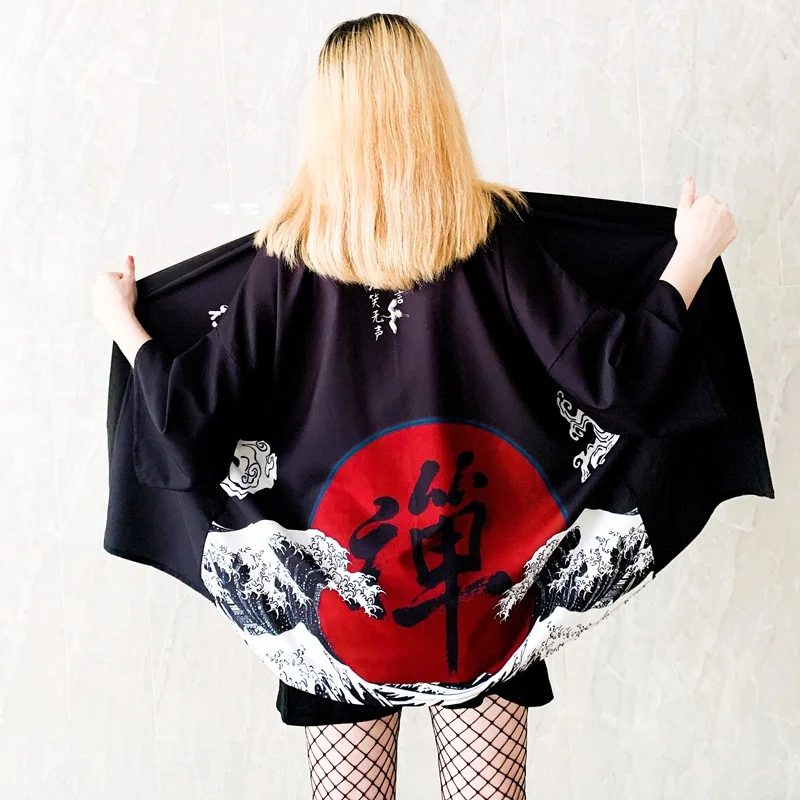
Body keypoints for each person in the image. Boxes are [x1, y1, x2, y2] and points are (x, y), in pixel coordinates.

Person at [92, 12, 738, 800]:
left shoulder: (285, 262)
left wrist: (124, 323)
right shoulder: (494, 239)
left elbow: (187, 422)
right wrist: (691, 256)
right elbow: (619, 378)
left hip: (341, 622)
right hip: (482, 603)